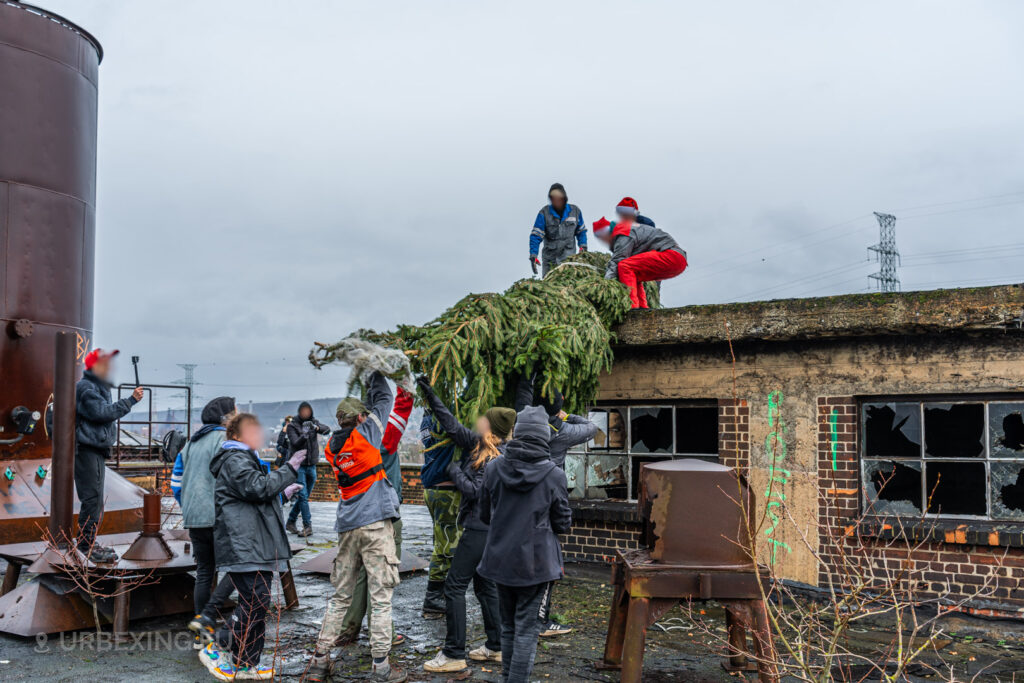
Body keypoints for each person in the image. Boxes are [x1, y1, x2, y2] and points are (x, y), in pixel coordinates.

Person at [306, 372, 406, 683]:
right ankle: (381, 667)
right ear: (361, 418)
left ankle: (320, 661)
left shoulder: (333, 449)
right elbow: (385, 400)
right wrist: (373, 369)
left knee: (340, 596)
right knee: (380, 595)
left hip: (347, 526)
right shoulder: (365, 435)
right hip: (375, 524)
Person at [417, 376, 515, 674]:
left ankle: (453, 653)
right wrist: (431, 395)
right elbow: (450, 424)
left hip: (481, 529)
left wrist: (453, 470)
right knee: (485, 586)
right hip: (486, 530)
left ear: (494, 430)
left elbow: (475, 492)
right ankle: (496, 646)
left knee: (454, 585)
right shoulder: (479, 444)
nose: (479, 422)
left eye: (485, 421)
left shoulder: (497, 458)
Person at [197, 412, 303, 682]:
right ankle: (217, 646)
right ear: (235, 435)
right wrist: (289, 468)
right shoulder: (235, 459)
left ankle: (245, 664)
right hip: (243, 543)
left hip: (252, 543)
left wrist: (281, 493)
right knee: (256, 602)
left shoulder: (244, 459)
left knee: (256, 602)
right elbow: (256, 488)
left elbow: (252, 496)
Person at [478, 406, 572, 683]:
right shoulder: (554, 475)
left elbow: (485, 514)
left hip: (499, 560)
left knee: (508, 625)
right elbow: (563, 522)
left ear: (518, 434)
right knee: (527, 629)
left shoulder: (493, 468)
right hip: (536, 565)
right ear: (544, 437)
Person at [513, 374, 597, 637]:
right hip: (547, 503)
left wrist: (529, 375)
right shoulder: (562, 431)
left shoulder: (523, 424)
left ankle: (519, 615)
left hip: (521, 501)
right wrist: (565, 415)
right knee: (549, 566)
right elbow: (592, 427)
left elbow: (521, 401)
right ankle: (540, 621)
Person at [337, 385, 414, 646]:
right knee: (382, 580)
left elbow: (372, 409)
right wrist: (398, 371)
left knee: (359, 575)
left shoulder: (343, 444)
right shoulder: (382, 437)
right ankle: (384, 636)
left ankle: (348, 628)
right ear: (363, 417)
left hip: (355, 518)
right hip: (384, 516)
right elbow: (402, 404)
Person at [170, 396, 237, 649]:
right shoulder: (226, 441)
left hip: (195, 518)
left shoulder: (190, 444)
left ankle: (202, 632)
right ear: (226, 418)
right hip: (220, 517)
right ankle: (214, 618)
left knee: (204, 572)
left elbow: (176, 484)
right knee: (240, 568)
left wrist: (188, 506)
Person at [74, 348, 144, 563]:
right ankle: (85, 546)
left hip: (94, 449)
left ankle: (88, 543)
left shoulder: (95, 387)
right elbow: (101, 413)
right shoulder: (87, 388)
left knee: (94, 500)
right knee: (92, 499)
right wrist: (130, 401)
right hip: (87, 449)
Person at [419, 412, 462, 619]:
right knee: (446, 546)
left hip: (433, 485)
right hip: (446, 489)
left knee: (442, 539)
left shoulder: (427, 418)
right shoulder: (441, 419)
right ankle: (433, 600)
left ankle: (439, 595)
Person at [593, 216, 688, 309]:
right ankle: (642, 307)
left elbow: (618, 259)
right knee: (634, 274)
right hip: (678, 260)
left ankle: (632, 307)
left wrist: (607, 285)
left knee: (625, 266)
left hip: (671, 255)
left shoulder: (623, 231)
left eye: (600, 236)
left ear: (606, 232)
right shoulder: (626, 231)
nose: (602, 240)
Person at [285, 402, 331, 536]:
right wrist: (305, 434)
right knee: (303, 495)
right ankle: (307, 526)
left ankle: (291, 521)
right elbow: (295, 443)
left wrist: (315, 428)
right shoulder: (292, 426)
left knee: (304, 497)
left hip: (312, 465)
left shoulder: (313, 422)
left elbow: (327, 429)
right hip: (299, 466)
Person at [529, 183, 587, 276]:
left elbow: (581, 231)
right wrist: (533, 254)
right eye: (553, 198)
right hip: (550, 261)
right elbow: (536, 235)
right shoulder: (544, 213)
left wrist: (583, 245)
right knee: (549, 286)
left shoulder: (575, 211)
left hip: (568, 259)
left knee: (568, 285)